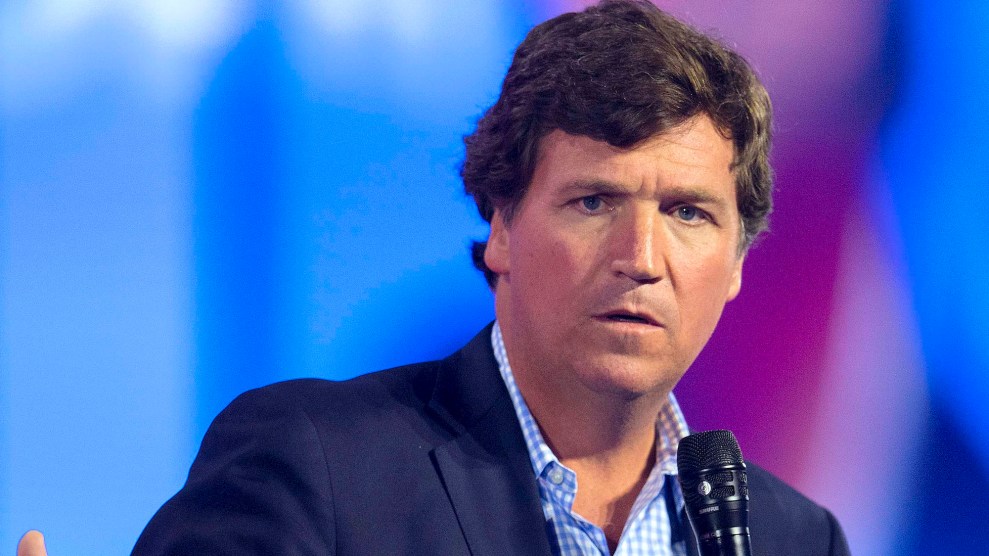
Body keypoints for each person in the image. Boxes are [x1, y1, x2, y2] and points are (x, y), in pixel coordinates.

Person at [20, 1, 850, 554]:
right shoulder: (317, 466)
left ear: (736, 263)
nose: (641, 255)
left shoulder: (792, 537)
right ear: (501, 228)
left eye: (688, 213)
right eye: (594, 201)